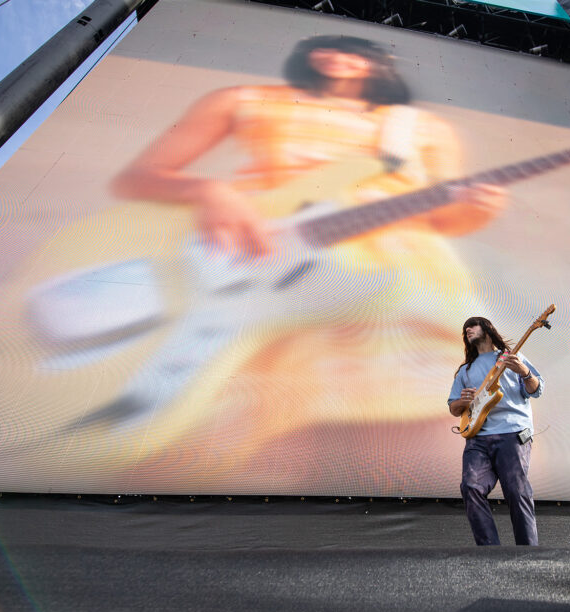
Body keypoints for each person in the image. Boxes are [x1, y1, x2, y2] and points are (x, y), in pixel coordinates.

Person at [101, 35, 508, 484]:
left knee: (455, 434)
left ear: (380, 63)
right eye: (326, 47)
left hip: (400, 279)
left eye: (354, 50)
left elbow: (442, 214)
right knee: (245, 450)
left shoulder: (420, 127)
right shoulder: (244, 101)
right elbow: (137, 177)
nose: (336, 57)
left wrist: (476, 209)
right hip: (264, 266)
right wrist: (206, 191)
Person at [448, 317, 544, 545]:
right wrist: (463, 402)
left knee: (517, 491)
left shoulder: (512, 358)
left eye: (473, 325)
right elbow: (453, 408)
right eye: (465, 329)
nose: (468, 329)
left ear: (488, 329)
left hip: (512, 433)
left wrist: (524, 372)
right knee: (470, 486)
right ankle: (489, 552)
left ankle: (528, 554)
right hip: (477, 438)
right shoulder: (465, 370)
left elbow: (537, 389)